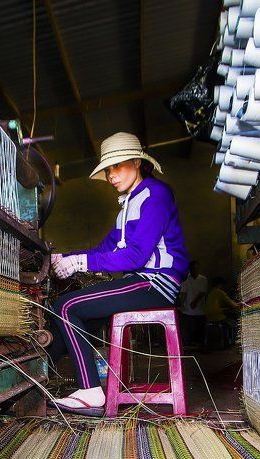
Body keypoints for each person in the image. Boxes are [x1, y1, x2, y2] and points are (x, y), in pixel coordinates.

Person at [47, 132, 189, 415]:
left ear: (137, 162)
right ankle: (34, 375)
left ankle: (89, 391)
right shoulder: (127, 206)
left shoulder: (155, 194)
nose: (112, 175)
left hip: (156, 282)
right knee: (68, 313)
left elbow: (137, 255)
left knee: (67, 305)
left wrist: (78, 265)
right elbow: (106, 247)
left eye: (118, 166)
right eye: (108, 169)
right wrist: (68, 256)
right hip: (140, 282)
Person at [204, 277, 241, 349]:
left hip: (208, 317)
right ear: (220, 285)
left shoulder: (211, 292)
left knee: (228, 320)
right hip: (217, 317)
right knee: (235, 324)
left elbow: (214, 307)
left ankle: (225, 342)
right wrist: (242, 304)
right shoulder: (219, 292)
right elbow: (234, 305)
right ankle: (232, 344)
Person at [178, 260, 208, 348]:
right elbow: (183, 293)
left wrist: (194, 302)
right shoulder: (186, 279)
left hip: (200, 309)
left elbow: (203, 292)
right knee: (187, 329)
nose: (194, 270)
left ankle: (201, 345)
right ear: (190, 269)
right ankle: (187, 345)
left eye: (196, 268)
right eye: (192, 269)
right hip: (187, 310)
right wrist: (181, 305)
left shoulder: (203, 279)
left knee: (200, 329)